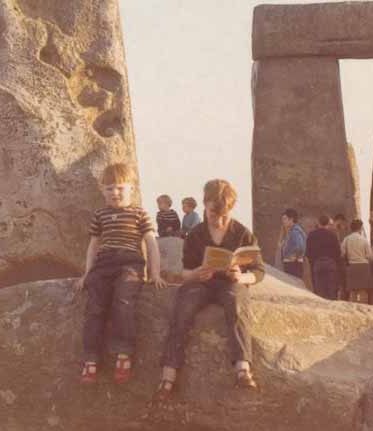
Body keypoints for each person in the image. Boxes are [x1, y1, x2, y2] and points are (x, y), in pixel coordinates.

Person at [156, 178, 264, 399]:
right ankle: (169, 373)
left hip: (230, 283)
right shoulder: (196, 234)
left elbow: (259, 271)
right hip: (201, 282)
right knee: (183, 308)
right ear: (205, 206)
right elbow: (185, 272)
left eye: (225, 215)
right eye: (214, 215)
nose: (219, 221)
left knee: (237, 305)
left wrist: (242, 276)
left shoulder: (243, 233)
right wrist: (195, 274)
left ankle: (243, 368)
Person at [76, 163, 166, 384]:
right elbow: (93, 245)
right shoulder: (100, 214)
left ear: (131, 188)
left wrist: (154, 272)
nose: (114, 193)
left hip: (130, 263)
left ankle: (124, 353)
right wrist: (87, 273)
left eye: (119, 188)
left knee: (123, 301)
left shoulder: (139, 213)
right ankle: (90, 359)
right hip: (104, 264)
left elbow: (151, 243)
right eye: (109, 189)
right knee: (94, 308)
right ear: (102, 190)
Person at [305, 214, 342, 299]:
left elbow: (308, 252)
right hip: (331, 263)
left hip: (317, 264)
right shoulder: (333, 235)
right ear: (328, 224)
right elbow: (338, 252)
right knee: (331, 289)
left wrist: (313, 262)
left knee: (319, 290)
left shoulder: (312, 235)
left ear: (319, 223)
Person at [341, 219, 373, 303]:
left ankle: (353, 310)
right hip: (363, 266)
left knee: (353, 291)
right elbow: (370, 256)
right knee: (363, 291)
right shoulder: (364, 240)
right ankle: (363, 309)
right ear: (360, 228)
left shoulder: (346, 239)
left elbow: (342, 254)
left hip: (352, 266)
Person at [280, 208, 306, 279]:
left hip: (293, 265)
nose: (283, 221)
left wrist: (295, 256)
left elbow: (300, 246)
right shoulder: (291, 231)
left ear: (291, 219)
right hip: (292, 264)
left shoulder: (295, 232)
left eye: (285, 219)